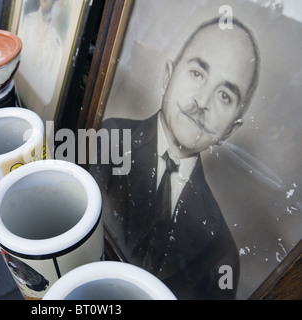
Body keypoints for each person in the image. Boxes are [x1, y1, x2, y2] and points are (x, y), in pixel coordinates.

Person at [92, 17, 260, 299]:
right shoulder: (108, 140)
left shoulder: (222, 251)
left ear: (230, 130)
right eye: (197, 73)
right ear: (168, 76)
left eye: (224, 95)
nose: (202, 102)